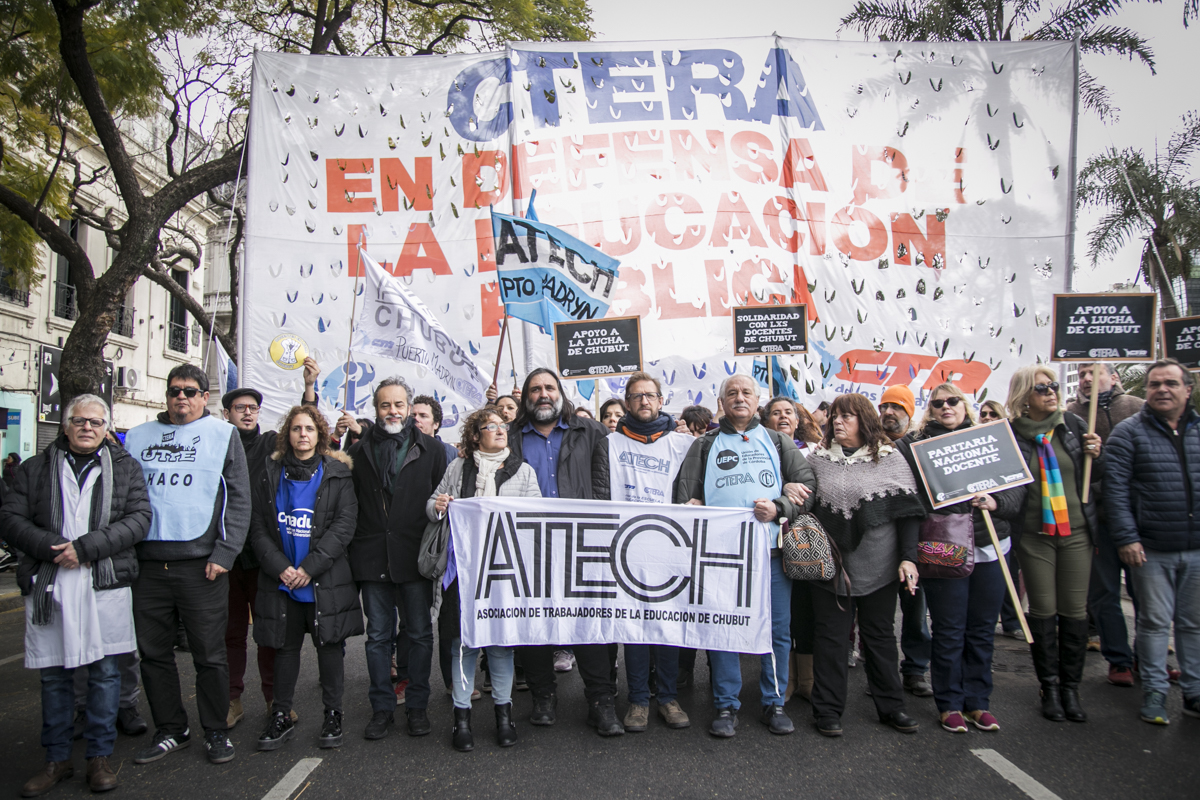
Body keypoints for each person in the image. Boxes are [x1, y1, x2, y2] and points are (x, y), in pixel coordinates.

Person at [3, 395, 151, 795]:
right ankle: (55, 760)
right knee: (54, 676)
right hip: (51, 579)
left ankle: (98, 758)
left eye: (96, 422)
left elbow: (139, 519)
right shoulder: (35, 469)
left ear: (107, 428)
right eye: (80, 420)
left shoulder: (125, 469)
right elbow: (9, 518)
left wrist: (85, 548)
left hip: (102, 580)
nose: (88, 427)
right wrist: (53, 546)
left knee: (105, 673)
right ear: (65, 425)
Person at [675, 374, 816, 738]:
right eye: (732, 393)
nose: (739, 398)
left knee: (777, 630)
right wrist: (689, 505)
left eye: (746, 392)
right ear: (721, 402)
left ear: (758, 401)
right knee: (724, 628)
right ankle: (726, 704)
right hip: (721, 556)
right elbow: (682, 496)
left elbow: (808, 489)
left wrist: (781, 506)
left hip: (770, 554)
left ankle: (774, 702)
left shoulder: (778, 441)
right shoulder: (704, 445)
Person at [124, 364, 250, 766]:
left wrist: (225, 554)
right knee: (154, 654)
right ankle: (171, 730)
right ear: (167, 395)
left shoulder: (223, 434)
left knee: (209, 654)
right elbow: (122, 499)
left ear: (204, 397)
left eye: (191, 391)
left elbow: (239, 500)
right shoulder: (137, 437)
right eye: (175, 390)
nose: (182, 397)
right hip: (147, 565)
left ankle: (215, 730)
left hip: (202, 566)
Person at [899, 383, 1026, 733]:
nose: (946, 407)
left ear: (964, 404)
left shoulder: (991, 439)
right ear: (931, 409)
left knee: (982, 630)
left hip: (991, 546)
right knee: (949, 629)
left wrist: (996, 502)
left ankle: (978, 702)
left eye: (953, 400)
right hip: (945, 549)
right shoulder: (915, 447)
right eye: (938, 403)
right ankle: (950, 703)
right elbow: (909, 500)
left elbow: (1017, 491)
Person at [506, 368, 620, 734]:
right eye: (535, 389)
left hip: (582, 541)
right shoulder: (510, 438)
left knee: (587, 620)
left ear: (561, 393)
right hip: (529, 544)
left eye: (549, 387)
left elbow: (611, 478)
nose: (543, 394)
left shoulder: (591, 431)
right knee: (534, 621)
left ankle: (601, 701)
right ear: (526, 396)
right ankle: (543, 695)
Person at [806, 393, 926, 737]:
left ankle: (892, 707)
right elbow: (808, 504)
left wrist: (908, 557)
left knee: (880, 636)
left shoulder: (891, 459)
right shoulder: (818, 460)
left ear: (865, 421)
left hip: (880, 564)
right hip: (831, 565)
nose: (838, 422)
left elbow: (908, 514)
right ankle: (827, 710)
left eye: (847, 416)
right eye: (835, 417)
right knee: (830, 638)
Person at [428, 408, 541, 751]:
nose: (500, 430)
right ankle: (461, 718)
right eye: (490, 426)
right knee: (462, 644)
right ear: (476, 435)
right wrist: (440, 505)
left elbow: (535, 518)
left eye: (502, 425)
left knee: (500, 645)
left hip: (502, 574)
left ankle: (503, 716)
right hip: (462, 574)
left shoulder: (523, 471)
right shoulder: (458, 468)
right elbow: (432, 503)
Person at [251, 406, 361, 751]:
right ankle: (280, 714)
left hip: (322, 578)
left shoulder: (337, 473)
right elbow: (257, 526)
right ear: (288, 434)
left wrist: (308, 568)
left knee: (329, 647)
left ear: (320, 434)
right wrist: (280, 567)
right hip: (281, 577)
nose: (303, 434)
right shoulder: (270, 472)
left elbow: (344, 525)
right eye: (297, 428)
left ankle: (333, 714)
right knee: (285, 649)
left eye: (310, 429)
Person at [592, 372, 696, 733]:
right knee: (634, 627)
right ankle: (637, 700)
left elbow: (692, 492)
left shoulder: (682, 445)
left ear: (661, 400)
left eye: (649, 395)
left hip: (669, 547)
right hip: (627, 548)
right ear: (627, 403)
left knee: (666, 626)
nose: (643, 402)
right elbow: (601, 494)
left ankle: (667, 697)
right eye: (636, 397)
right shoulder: (609, 444)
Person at [219, 359, 320, 729]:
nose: (247, 413)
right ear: (226, 412)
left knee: (268, 632)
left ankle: (274, 699)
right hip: (225, 556)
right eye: (240, 408)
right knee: (230, 632)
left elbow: (306, 426)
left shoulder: (269, 444)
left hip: (263, 556)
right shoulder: (214, 443)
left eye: (253, 408)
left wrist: (309, 387)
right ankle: (232, 700)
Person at [346, 376, 448, 739]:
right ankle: (382, 708)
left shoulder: (433, 451)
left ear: (408, 408)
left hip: (415, 557)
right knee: (377, 638)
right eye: (385, 405)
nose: (393, 411)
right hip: (372, 558)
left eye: (399, 405)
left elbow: (443, 505)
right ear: (376, 409)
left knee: (419, 634)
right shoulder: (357, 453)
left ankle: (418, 706)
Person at [1105, 358, 1200, 725]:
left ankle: (1193, 691)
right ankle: (1156, 691)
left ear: (1186, 390)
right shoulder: (1129, 432)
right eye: (1155, 384)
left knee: (1192, 624)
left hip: (1195, 548)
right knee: (1156, 622)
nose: (1162, 389)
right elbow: (1115, 491)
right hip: (1151, 547)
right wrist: (1127, 537)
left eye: (1171, 384)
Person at [1006, 364, 1103, 724]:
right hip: (1035, 537)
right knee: (1043, 610)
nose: (1051, 393)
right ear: (1024, 397)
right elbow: (1009, 488)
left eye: (1054, 386)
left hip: (1076, 532)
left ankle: (1071, 689)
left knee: (1075, 611)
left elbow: (1093, 478)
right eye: (1042, 388)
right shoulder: (1011, 436)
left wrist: (1097, 452)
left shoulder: (1075, 426)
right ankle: (1049, 686)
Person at [1067, 362, 1143, 688]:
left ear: (1114, 378)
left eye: (1093, 372)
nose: (1086, 378)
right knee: (1104, 593)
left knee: (1146, 594)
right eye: (1082, 373)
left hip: (1141, 517)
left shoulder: (1138, 409)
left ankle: (1149, 658)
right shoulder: (1070, 415)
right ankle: (1119, 659)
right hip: (1097, 516)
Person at [877, 385, 934, 698]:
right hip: (881, 541)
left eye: (897, 407)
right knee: (880, 617)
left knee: (914, 606)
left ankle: (914, 669)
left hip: (913, 539)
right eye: (884, 406)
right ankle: (882, 674)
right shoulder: (870, 447)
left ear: (909, 412)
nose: (889, 412)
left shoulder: (918, 447)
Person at [411, 394, 459, 463]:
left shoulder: (451, 454)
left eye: (423, 416)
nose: (416, 419)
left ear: (436, 424)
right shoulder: (401, 450)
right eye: (413, 415)